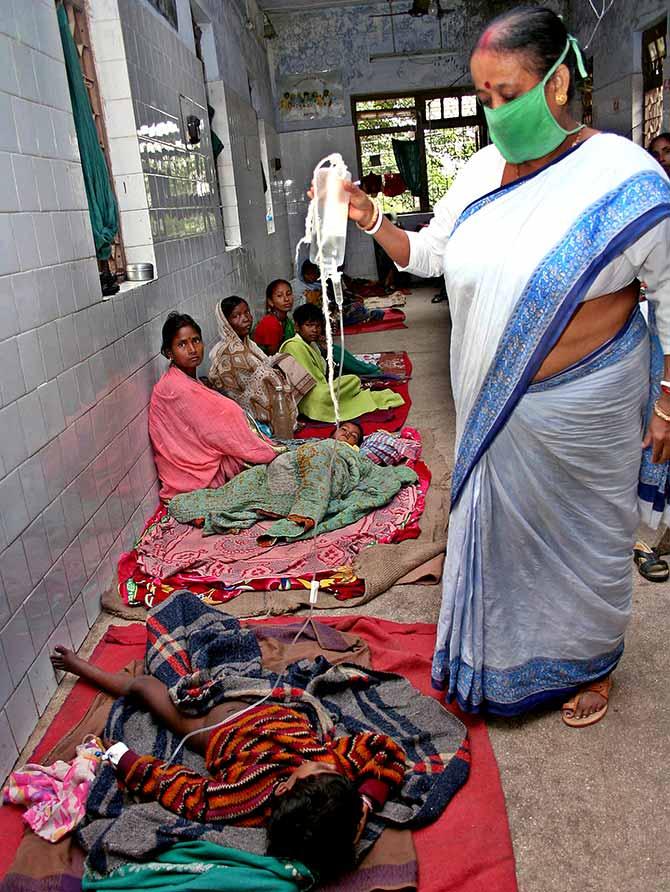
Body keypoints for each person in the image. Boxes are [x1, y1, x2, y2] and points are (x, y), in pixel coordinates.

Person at [333, 6, 670, 726]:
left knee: (589, 545)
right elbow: (431, 256)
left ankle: (593, 660)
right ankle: (509, 657)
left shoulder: (625, 177)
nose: (494, 113)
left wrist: (668, 402)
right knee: (510, 548)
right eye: (483, 96)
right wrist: (369, 218)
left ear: (555, 85)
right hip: (497, 406)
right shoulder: (485, 170)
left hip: (589, 409)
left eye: (506, 92)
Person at [49, 645, 407, 883]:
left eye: (318, 770)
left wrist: (121, 756)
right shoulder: (331, 771)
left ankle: (84, 668)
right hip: (262, 696)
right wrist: (366, 800)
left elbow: (182, 789)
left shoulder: (240, 798)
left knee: (145, 687)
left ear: (285, 787)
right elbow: (384, 749)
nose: (327, 765)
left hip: (208, 726)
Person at [149, 312, 278, 500]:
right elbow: (219, 428)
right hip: (192, 476)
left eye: (196, 340)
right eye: (182, 344)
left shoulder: (185, 380)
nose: (192, 349)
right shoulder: (174, 388)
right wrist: (266, 451)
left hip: (200, 467)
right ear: (169, 352)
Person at [280, 304, 405, 423]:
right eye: (309, 325)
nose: (314, 330)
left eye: (318, 326)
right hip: (310, 398)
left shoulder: (311, 344)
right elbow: (306, 384)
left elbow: (322, 372)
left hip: (321, 390)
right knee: (349, 382)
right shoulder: (293, 346)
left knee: (352, 379)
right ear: (297, 326)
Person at [207, 296, 299, 435]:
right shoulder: (227, 354)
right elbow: (244, 391)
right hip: (247, 417)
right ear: (225, 322)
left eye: (247, 312)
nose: (245, 318)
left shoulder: (249, 343)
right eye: (236, 316)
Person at [253, 279, 295, 355]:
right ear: (270, 302)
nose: (286, 299)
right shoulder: (271, 323)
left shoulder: (285, 320)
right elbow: (273, 357)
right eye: (279, 296)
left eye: (288, 294)